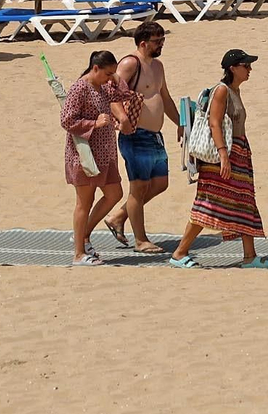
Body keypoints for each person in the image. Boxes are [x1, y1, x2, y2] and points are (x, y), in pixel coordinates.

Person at [169, 49, 268, 268]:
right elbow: (214, 123)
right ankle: (179, 253)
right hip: (221, 156)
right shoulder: (222, 91)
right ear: (233, 68)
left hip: (239, 153)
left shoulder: (235, 90)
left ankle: (250, 256)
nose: (250, 69)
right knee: (209, 204)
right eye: (246, 65)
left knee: (245, 202)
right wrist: (224, 155)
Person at [100, 23, 183, 253]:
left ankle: (118, 216)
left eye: (163, 40)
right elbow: (111, 94)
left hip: (155, 135)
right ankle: (141, 240)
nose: (161, 45)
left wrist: (181, 123)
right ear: (143, 42)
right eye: (158, 41)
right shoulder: (129, 63)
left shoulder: (158, 66)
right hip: (135, 134)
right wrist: (122, 119)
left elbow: (164, 98)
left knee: (160, 183)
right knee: (138, 187)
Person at [59, 50, 129, 266]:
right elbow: (67, 120)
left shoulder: (103, 86)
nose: (110, 78)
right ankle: (78, 253)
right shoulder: (80, 87)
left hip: (105, 154)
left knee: (114, 193)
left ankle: (84, 236)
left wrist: (117, 77)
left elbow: (124, 95)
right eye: (108, 73)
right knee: (84, 202)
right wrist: (94, 124)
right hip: (85, 156)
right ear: (95, 68)